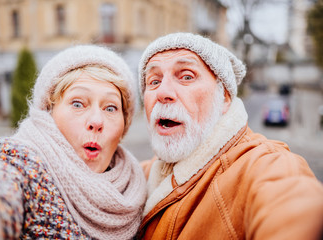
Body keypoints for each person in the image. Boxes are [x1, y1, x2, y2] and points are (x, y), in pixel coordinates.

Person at [137, 32, 323, 239]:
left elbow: (293, 207)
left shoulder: (263, 164)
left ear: (225, 97)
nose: (163, 92)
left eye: (187, 76)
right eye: (153, 81)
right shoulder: (142, 175)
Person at [0, 45, 147, 239]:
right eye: (78, 104)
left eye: (110, 108)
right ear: (49, 113)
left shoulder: (140, 186)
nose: (96, 121)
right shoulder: (21, 161)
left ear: (124, 125)